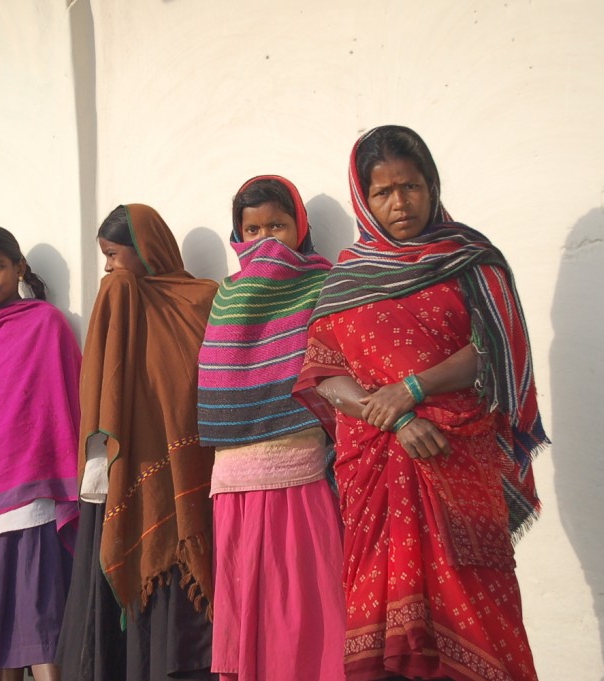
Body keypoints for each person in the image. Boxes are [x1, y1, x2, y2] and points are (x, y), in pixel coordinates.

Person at [294, 125, 545, 681]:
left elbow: (492, 350)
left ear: (431, 186)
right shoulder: (345, 279)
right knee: (383, 616)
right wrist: (395, 416)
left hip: (459, 460)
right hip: (377, 466)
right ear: (365, 199)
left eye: (410, 187)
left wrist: (413, 388)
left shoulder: (472, 259)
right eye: (383, 192)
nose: (399, 203)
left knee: (480, 607)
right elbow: (324, 372)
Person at [58, 204, 218, 681]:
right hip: (131, 485)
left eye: (112, 254)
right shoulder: (119, 300)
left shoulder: (204, 299)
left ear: (146, 250)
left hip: (198, 483)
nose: (107, 268)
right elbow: (104, 393)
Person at [197, 176, 344, 681]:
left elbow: (332, 369)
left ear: (300, 227)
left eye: (277, 226)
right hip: (234, 481)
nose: (265, 240)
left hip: (302, 474)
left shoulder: (324, 284)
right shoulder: (225, 295)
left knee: (305, 605)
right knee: (248, 606)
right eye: (252, 228)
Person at [0, 227, 81, 681]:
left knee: (40, 620)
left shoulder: (44, 323)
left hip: (32, 493)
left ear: (19, 268)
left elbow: (59, 399)